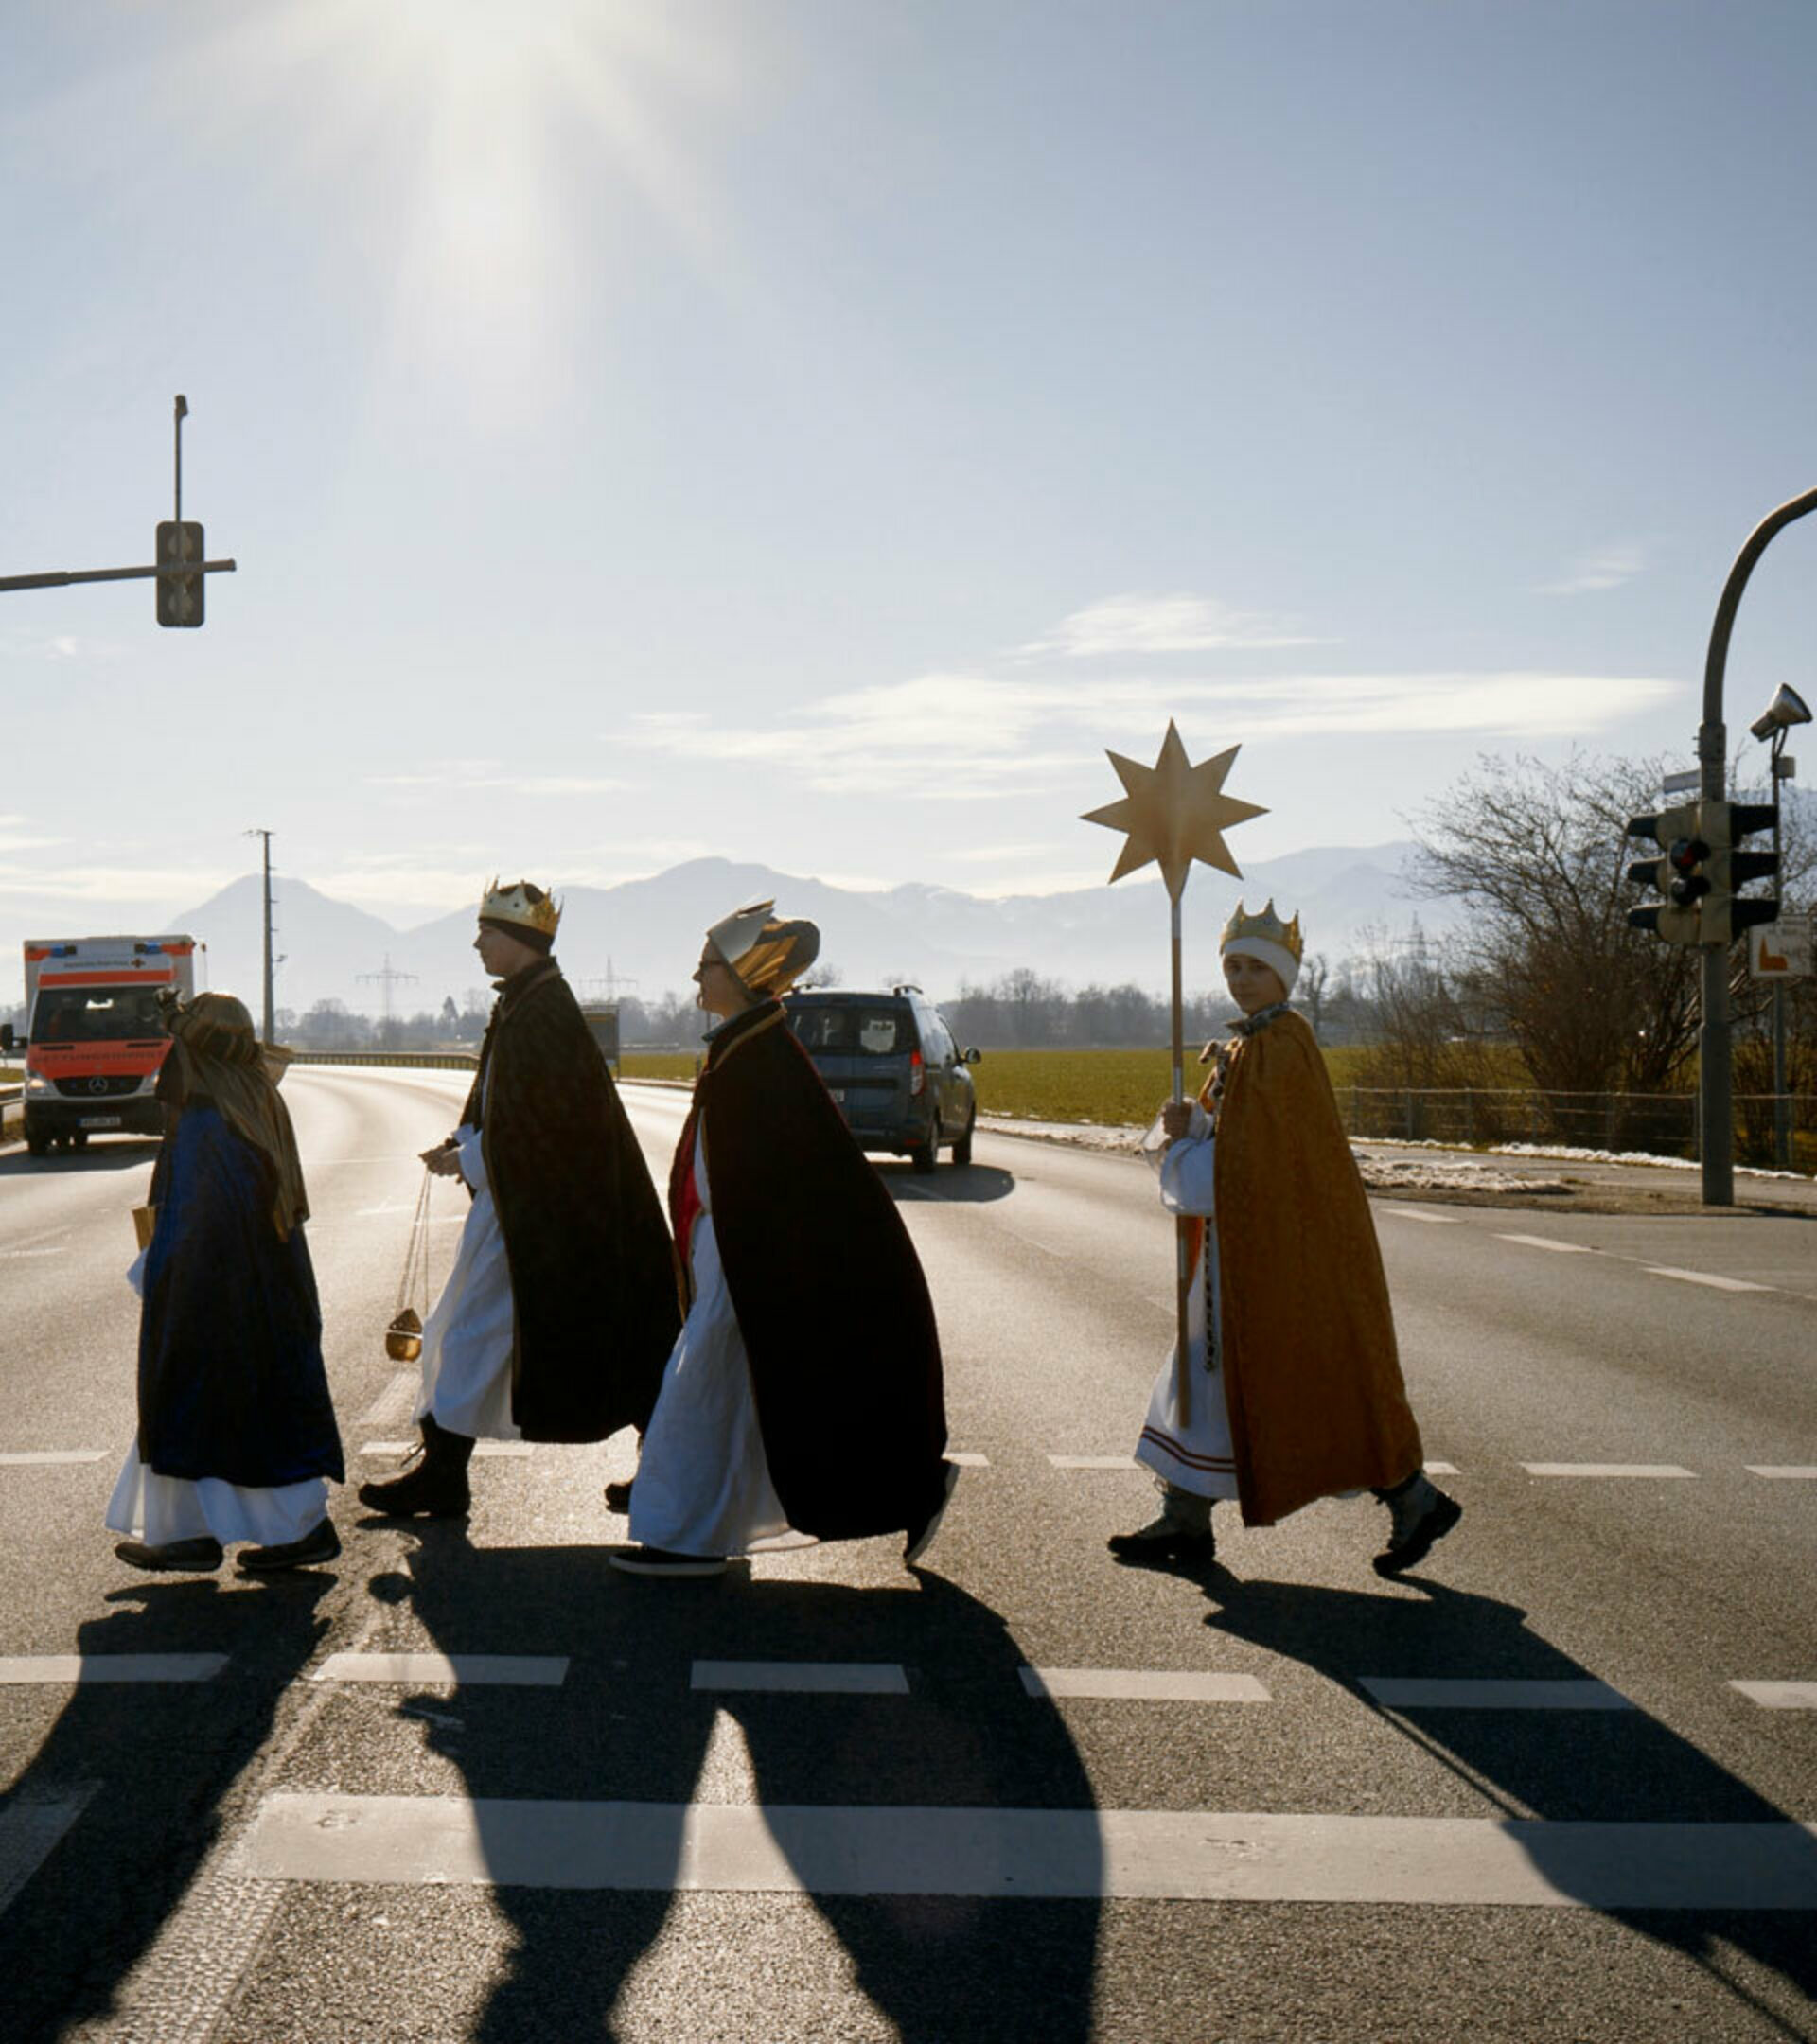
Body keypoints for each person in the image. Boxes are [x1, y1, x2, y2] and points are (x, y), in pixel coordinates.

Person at [1108, 901, 1462, 1577]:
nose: (1241, 979)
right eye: (1233, 965)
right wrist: (1197, 1126)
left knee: (1308, 1384)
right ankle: (1184, 1514)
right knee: (1202, 1376)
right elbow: (1243, 1144)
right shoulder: (1248, 1045)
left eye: (1255, 967)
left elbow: (1257, 1168)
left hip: (1280, 1255)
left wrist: (1193, 1150)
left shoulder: (1281, 1048)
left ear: (1284, 975)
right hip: (1241, 1255)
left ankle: (1415, 1497)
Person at [610, 900, 956, 1577]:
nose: (695, 978)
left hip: (748, 1255)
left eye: (706, 965)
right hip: (734, 1249)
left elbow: (767, 1182)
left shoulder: (756, 1058)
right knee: (735, 1391)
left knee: (704, 1380)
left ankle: (683, 1535)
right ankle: (695, 1523)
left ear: (740, 974)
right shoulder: (747, 1046)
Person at [358, 880, 679, 1517]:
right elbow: (505, 1104)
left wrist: (471, 1156)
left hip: (551, 1219)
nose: (478, 942)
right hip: (530, 1209)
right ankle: (446, 1473)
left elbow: (550, 1128)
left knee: (488, 1335)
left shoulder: (543, 1012)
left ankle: (663, 1473)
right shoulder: (524, 1004)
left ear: (521, 942)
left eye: (488, 933)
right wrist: (465, 1138)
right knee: (483, 1335)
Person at [108, 992, 344, 1574]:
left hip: (216, 1293)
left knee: (218, 1406)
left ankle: (296, 1529)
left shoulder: (210, 1120)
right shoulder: (248, 1098)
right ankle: (189, 1530)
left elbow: (198, 1221)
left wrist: (159, 1268)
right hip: (257, 1286)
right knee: (232, 1407)